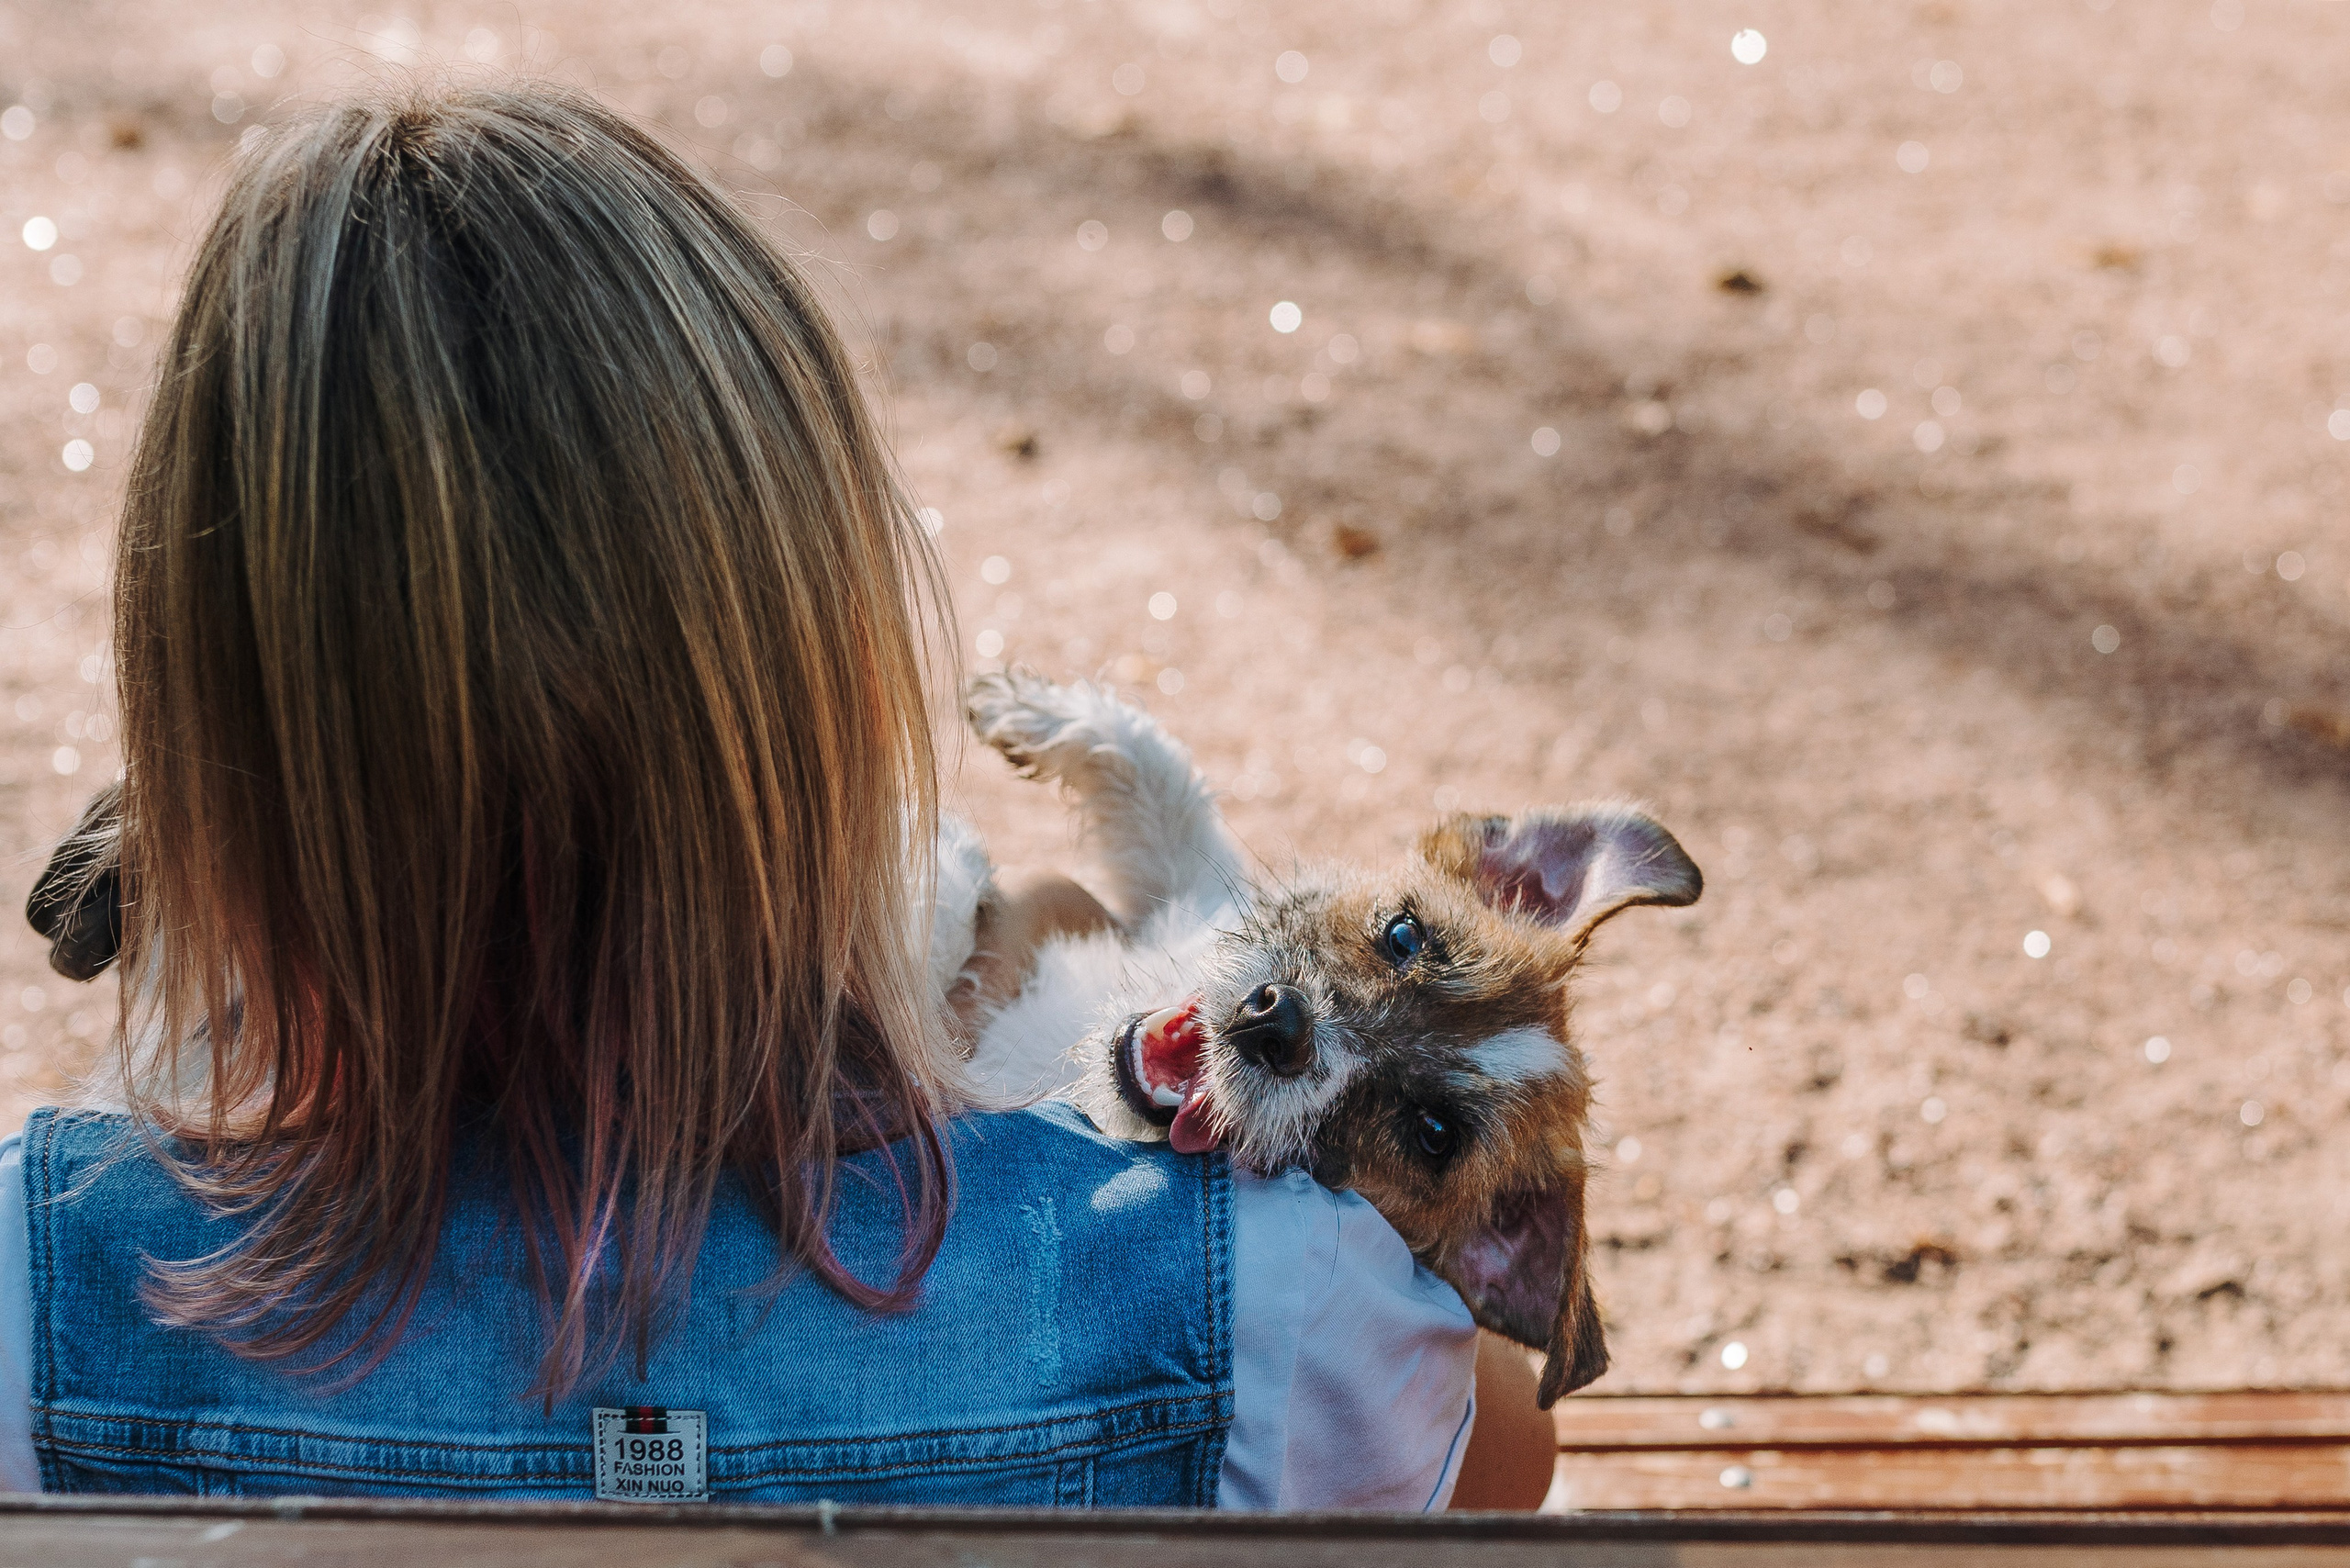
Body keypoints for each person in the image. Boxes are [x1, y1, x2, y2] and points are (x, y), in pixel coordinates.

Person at [0, 80, 1539, 1506]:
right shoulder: (1260, 1311)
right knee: (1047, 914)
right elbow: (1504, 1457)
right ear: (833, 690)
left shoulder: (38, 1297)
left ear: (211, 768)